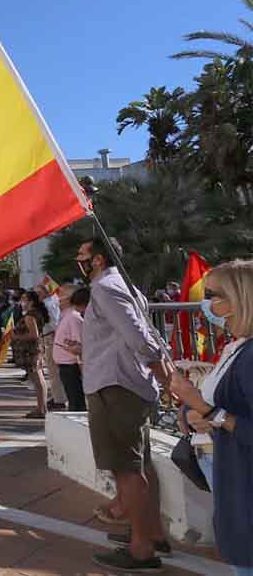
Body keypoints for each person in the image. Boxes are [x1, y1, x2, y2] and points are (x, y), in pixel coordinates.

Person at [77, 237, 173, 573]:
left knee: (127, 470)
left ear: (99, 259)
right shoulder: (123, 285)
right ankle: (152, 533)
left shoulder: (105, 286)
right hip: (124, 384)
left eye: (83, 256)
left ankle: (141, 548)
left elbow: (137, 335)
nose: (79, 261)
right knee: (140, 464)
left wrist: (163, 372)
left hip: (115, 386)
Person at [170, 260, 253, 576]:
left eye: (213, 294)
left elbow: (224, 416)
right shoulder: (236, 346)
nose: (205, 303)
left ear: (239, 300)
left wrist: (208, 412)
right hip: (227, 469)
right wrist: (191, 411)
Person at [12, 290, 50, 419]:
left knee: (37, 379)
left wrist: (16, 336)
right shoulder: (34, 314)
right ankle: (41, 407)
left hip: (31, 351)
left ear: (31, 302)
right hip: (34, 350)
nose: (22, 302)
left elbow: (34, 335)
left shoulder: (30, 316)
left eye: (24, 299)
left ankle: (41, 408)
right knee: (38, 379)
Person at [53, 286, 90, 412]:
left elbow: (79, 343)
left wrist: (80, 361)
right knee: (72, 397)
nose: (58, 298)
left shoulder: (74, 317)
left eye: (62, 295)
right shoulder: (66, 315)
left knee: (76, 399)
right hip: (65, 364)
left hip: (71, 365)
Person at [37, 283, 68, 411]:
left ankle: (59, 399)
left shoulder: (49, 304)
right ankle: (58, 396)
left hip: (51, 337)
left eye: (39, 293)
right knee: (53, 371)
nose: (37, 295)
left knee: (54, 371)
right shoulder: (50, 302)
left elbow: (55, 323)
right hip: (48, 337)